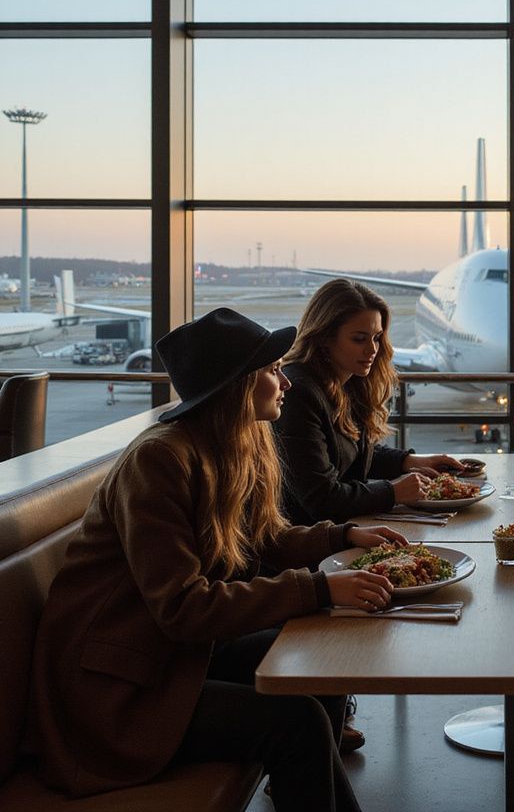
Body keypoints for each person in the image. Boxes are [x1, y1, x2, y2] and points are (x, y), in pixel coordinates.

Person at [29, 308, 407, 812]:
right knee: (296, 724)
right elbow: (183, 608)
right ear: (238, 384)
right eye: (273, 370)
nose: (285, 382)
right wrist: (319, 588)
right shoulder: (159, 461)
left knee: (322, 660)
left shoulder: (228, 444)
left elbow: (266, 539)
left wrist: (344, 535)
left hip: (176, 657)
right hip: (118, 694)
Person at [273, 277, 466, 526]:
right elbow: (321, 499)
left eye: (376, 337)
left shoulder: (348, 382)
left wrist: (409, 462)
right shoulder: (299, 393)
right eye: (359, 339)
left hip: (345, 530)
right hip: (308, 545)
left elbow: (350, 454)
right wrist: (393, 491)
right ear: (324, 337)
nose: (373, 350)